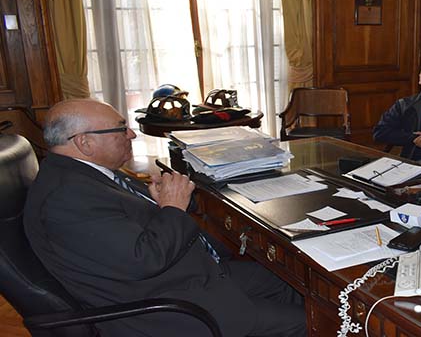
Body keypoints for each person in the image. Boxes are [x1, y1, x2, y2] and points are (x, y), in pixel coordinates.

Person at [23, 99, 306, 337]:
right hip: (172, 308)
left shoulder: (85, 173)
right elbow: (145, 258)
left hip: (193, 274)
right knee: (308, 322)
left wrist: (160, 202)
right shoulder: (66, 198)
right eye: (121, 129)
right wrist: (171, 207)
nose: (131, 135)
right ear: (85, 142)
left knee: (290, 285)